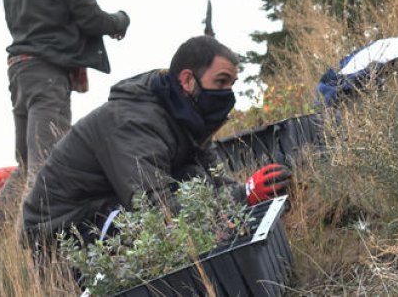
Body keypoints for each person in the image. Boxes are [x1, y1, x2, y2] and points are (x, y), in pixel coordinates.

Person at [21, 35, 291, 249]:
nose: (227, 94)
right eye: (220, 82)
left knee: (193, 179)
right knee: (157, 232)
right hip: (62, 232)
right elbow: (157, 209)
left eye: (231, 84)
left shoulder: (189, 117)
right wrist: (242, 195)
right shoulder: (134, 122)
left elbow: (214, 180)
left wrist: (253, 196)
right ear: (187, 80)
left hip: (109, 203)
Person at [0, 0, 131, 225]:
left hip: (19, 68)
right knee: (47, 164)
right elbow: (88, 16)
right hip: (46, 72)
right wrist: (119, 21)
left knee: (26, 162)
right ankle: (33, 246)